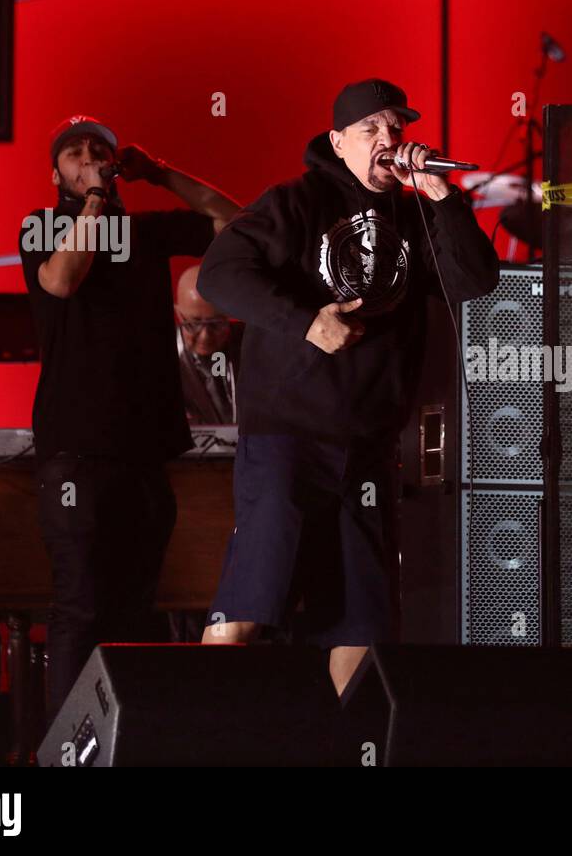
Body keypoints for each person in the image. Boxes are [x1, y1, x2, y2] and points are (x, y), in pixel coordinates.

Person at [196, 78, 500, 695]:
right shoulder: (296, 202)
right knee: (249, 604)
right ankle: (194, 738)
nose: (388, 140)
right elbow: (219, 274)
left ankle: (339, 747)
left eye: (396, 128)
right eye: (371, 130)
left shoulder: (417, 211)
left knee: (361, 624)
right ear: (338, 143)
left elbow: (475, 281)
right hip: (290, 436)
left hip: (367, 446)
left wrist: (442, 194)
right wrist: (307, 322)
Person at [19, 114, 239, 720]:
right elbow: (63, 280)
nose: (89, 156)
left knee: (137, 608)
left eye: (100, 151)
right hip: (76, 452)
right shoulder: (43, 228)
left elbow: (236, 223)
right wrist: (93, 200)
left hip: (145, 451)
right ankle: (66, 748)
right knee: (79, 607)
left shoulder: (144, 232)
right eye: (74, 152)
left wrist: (163, 175)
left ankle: (126, 740)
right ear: (54, 172)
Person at [174, 264, 241, 426]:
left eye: (216, 324)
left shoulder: (251, 345)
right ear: (177, 314)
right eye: (193, 324)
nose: (205, 336)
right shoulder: (154, 356)